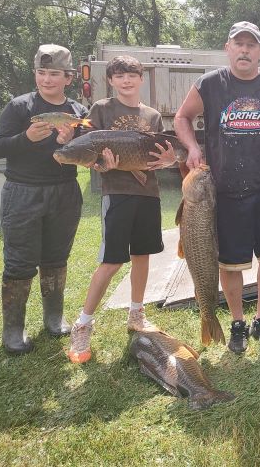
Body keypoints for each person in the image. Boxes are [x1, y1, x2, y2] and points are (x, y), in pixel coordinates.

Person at [174, 21, 260, 353]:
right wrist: (192, 147)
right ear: (228, 48)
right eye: (239, 44)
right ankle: (237, 323)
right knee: (230, 262)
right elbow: (181, 117)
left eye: (251, 45)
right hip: (225, 189)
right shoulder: (210, 84)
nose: (244, 50)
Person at [67, 55, 178, 364]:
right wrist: (101, 165)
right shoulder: (101, 109)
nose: (126, 80)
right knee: (112, 261)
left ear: (141, 79)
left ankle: (136, 313)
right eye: (119, 76)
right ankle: (83, 323)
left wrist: (170, 161)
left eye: (132, 75)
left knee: (142, 256)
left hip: (148, 193)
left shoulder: (152, 115)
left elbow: (162, 156)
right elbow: (86, 149)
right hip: (117, 193)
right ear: (111, 80)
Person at [0, 44, 88, 354]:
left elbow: (88, 155)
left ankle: (54, 318)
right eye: (41, 72)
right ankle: (13, 331)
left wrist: (69, 143)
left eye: (54, 74)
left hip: (64, 192)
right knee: (19, 262)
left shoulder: (79, 113)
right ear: (35, 73)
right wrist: (26, 138)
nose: (47, 79)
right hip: (23, 192)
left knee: (56, 259)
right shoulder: (19, 107)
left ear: (68, 77)